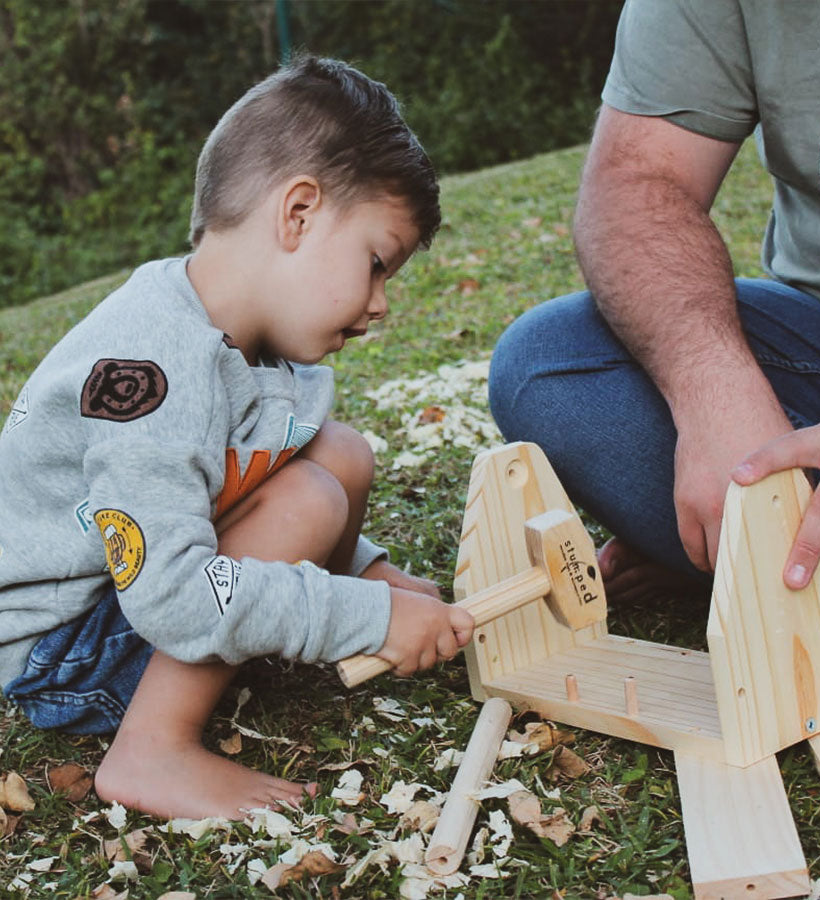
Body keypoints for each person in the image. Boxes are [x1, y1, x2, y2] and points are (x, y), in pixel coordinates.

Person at [0, 55, 474, 820]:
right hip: (61, 650)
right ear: (298, 214)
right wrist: (369, 620)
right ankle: (153, 747)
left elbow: (238, 478)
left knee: (340, 453)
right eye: (377, 263)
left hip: (136, 589)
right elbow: (175, 598)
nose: (382, 304)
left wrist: (360, 574)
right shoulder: (152, 368)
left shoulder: (244, 337)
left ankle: (334, 584)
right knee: (312, 497)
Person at [489, 0, 820, 657]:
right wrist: (717, 398)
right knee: (552, 366)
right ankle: (780, 568)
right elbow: (638, 182)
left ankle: (783, 588)